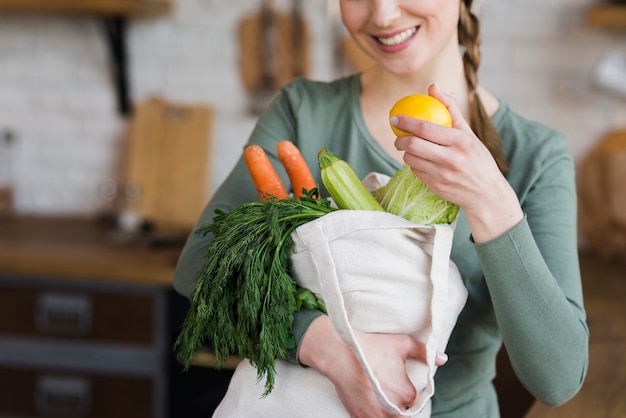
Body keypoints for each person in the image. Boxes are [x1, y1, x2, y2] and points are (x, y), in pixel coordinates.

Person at [173, 0, 589, 416]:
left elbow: (558, 379)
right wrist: (328, 349)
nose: (383, 14)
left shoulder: (536, 154)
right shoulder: (302, 112)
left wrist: (490, 201)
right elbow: (199, 264)